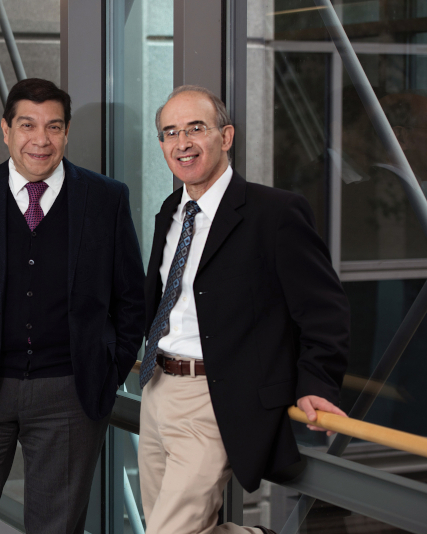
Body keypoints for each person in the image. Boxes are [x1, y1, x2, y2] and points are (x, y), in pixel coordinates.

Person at [0, 78, 145, 534]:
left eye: (53, 127)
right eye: (27, 125)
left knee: (56, 527)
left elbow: (131, 297)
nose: (40, 140)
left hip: (69, 393)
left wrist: (106, 370)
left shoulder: (105, 199)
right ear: (5, 130)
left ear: (66, 132)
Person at [138, 85, 350, 534]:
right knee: (166, 524)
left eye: (196, 128)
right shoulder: (170, 212)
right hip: (156, 390)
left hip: (214, 397)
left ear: (226, 136)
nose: (182, 143)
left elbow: (323, 309)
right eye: (170, 132)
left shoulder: (275, 213)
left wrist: (317, 379)